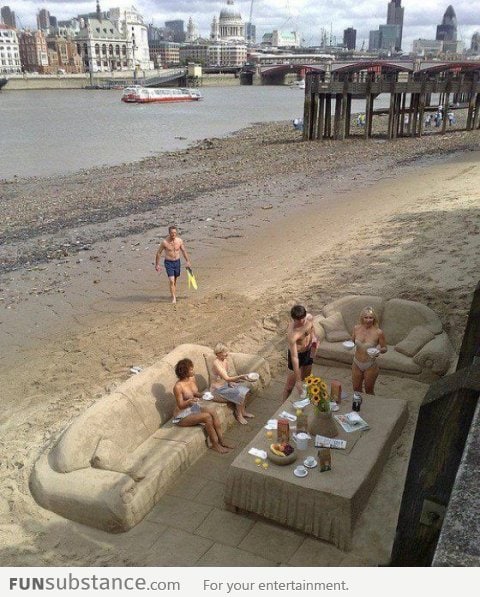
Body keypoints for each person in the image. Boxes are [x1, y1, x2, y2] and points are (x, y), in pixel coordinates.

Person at [173, 358, 232, 454]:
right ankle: (214, 444)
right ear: (185, 372)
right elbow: (180, 405)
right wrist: (189, 402)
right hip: (181, 415)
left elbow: (195, 393)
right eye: (191, 369)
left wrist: (204, 395)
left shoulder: (192, 378)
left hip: (192, 409)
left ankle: (222, 440)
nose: (193, 370)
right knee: (207, 417)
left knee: (212, 411)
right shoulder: (178, 387)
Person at [210, 343, 254, 425]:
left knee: (245, 390)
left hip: (225, 385)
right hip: (217, 390)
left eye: (227, 351)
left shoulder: (225, 361)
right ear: (218, 353)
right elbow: (226, 378)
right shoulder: (216, 363)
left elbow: (226, 377)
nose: (227, 353)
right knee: (238, 393)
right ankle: (239, 415)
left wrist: (230, 382)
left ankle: (243, 411)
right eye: (225, 352)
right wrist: (240, 377)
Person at [283, 305, 318, 400]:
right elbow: (294, 357)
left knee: (306, 380)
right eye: (299, 320)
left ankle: (303, 401)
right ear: (294, 319)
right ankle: (281, 408)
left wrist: (314, 341)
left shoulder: (309, 319)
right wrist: (298, 380)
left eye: (303, 318)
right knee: (290, 386)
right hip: (297, 354)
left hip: (308, 351)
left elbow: (312, 331)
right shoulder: (292, 334)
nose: (302, 321)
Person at [351, 306, 387, 395]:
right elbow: (352, 341)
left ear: (374, 318)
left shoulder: (379, 332)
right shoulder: (356, 328)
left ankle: (370, 408)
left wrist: (378, 351)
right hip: (356, 362)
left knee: (369, 390)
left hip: (370, 365)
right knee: (356, 388)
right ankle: (358, 407)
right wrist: (349, 345)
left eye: (370, 317)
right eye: (366, 317)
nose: (368, 320)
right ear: (362, 318)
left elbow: (385, 348)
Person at [155, 226, 191, 304]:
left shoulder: (179, 241)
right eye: (172, 233)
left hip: (177, 262)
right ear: (169, 233)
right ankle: (174, 298)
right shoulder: (164, 242)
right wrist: (157, 265)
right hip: (168, 263)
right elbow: (159, 253)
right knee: (171, 281)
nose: (173, 234)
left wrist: (187, 261)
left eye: (175, 232)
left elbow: (183, 251)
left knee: (175, 280)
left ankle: (173, 292)